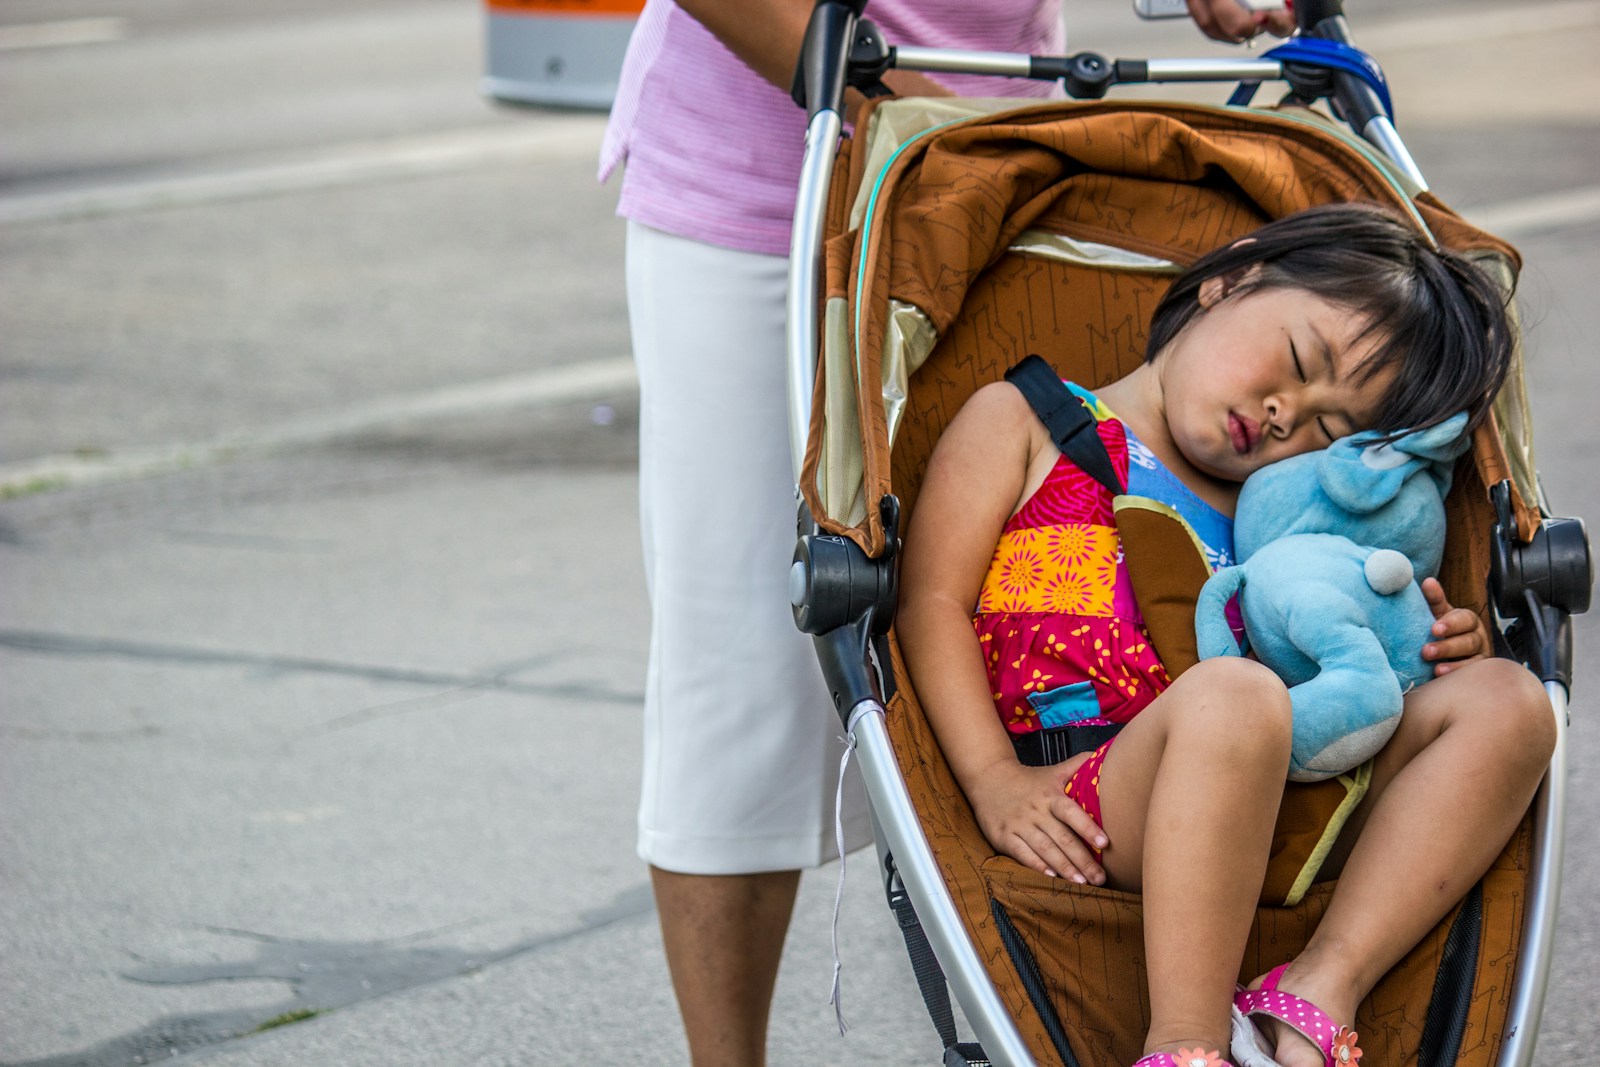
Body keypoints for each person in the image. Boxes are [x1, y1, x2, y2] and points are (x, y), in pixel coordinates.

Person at [599, 1, 1295, 1063]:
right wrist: (882, 99)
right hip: (772, 177)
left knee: (1026, 590)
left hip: (988, 170)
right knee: (741, 681)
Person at [895, 203, 1555, 1067]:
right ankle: (1186, 1044)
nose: (1289, 416)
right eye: (1300, 364)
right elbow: (929, 602)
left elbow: (1346, 651)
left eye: (1332, 429)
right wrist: (992, 779)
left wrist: (1422, 653)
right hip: (1104, 787)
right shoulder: (1028, 422)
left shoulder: (1286, 518)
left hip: (1288, 785)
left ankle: (1323, 980)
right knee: (1237, 695)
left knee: (1511, 701)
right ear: (1229, 279)